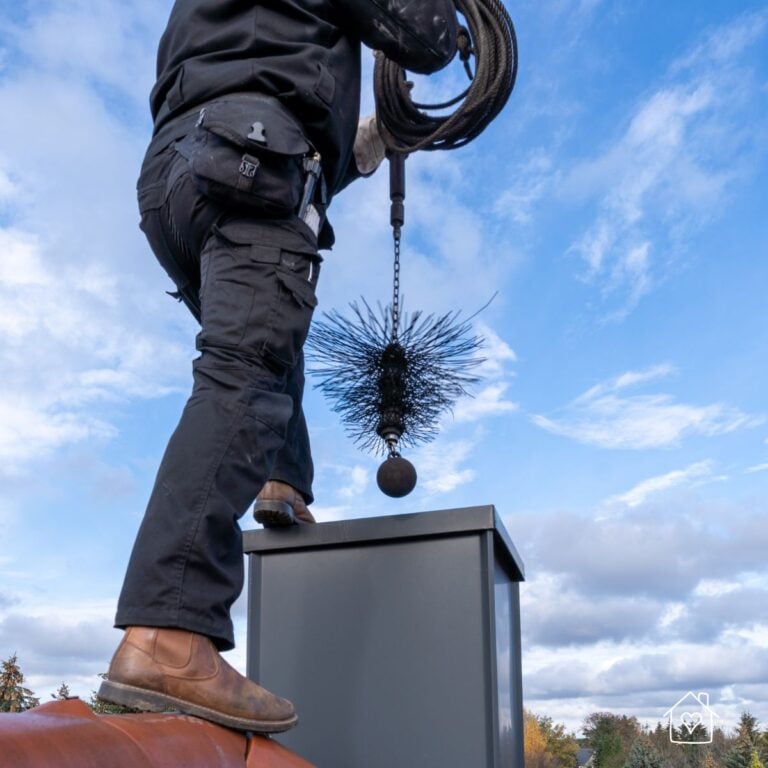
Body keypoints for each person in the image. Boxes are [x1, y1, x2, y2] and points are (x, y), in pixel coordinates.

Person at [99, 0, 458, 734]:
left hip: (179, 176)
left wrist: (359, 147)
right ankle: (169, 635)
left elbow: (261, 78)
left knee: (264, 340)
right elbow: (424, 35)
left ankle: (282, 481)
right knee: (247, 371)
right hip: (248, 159)